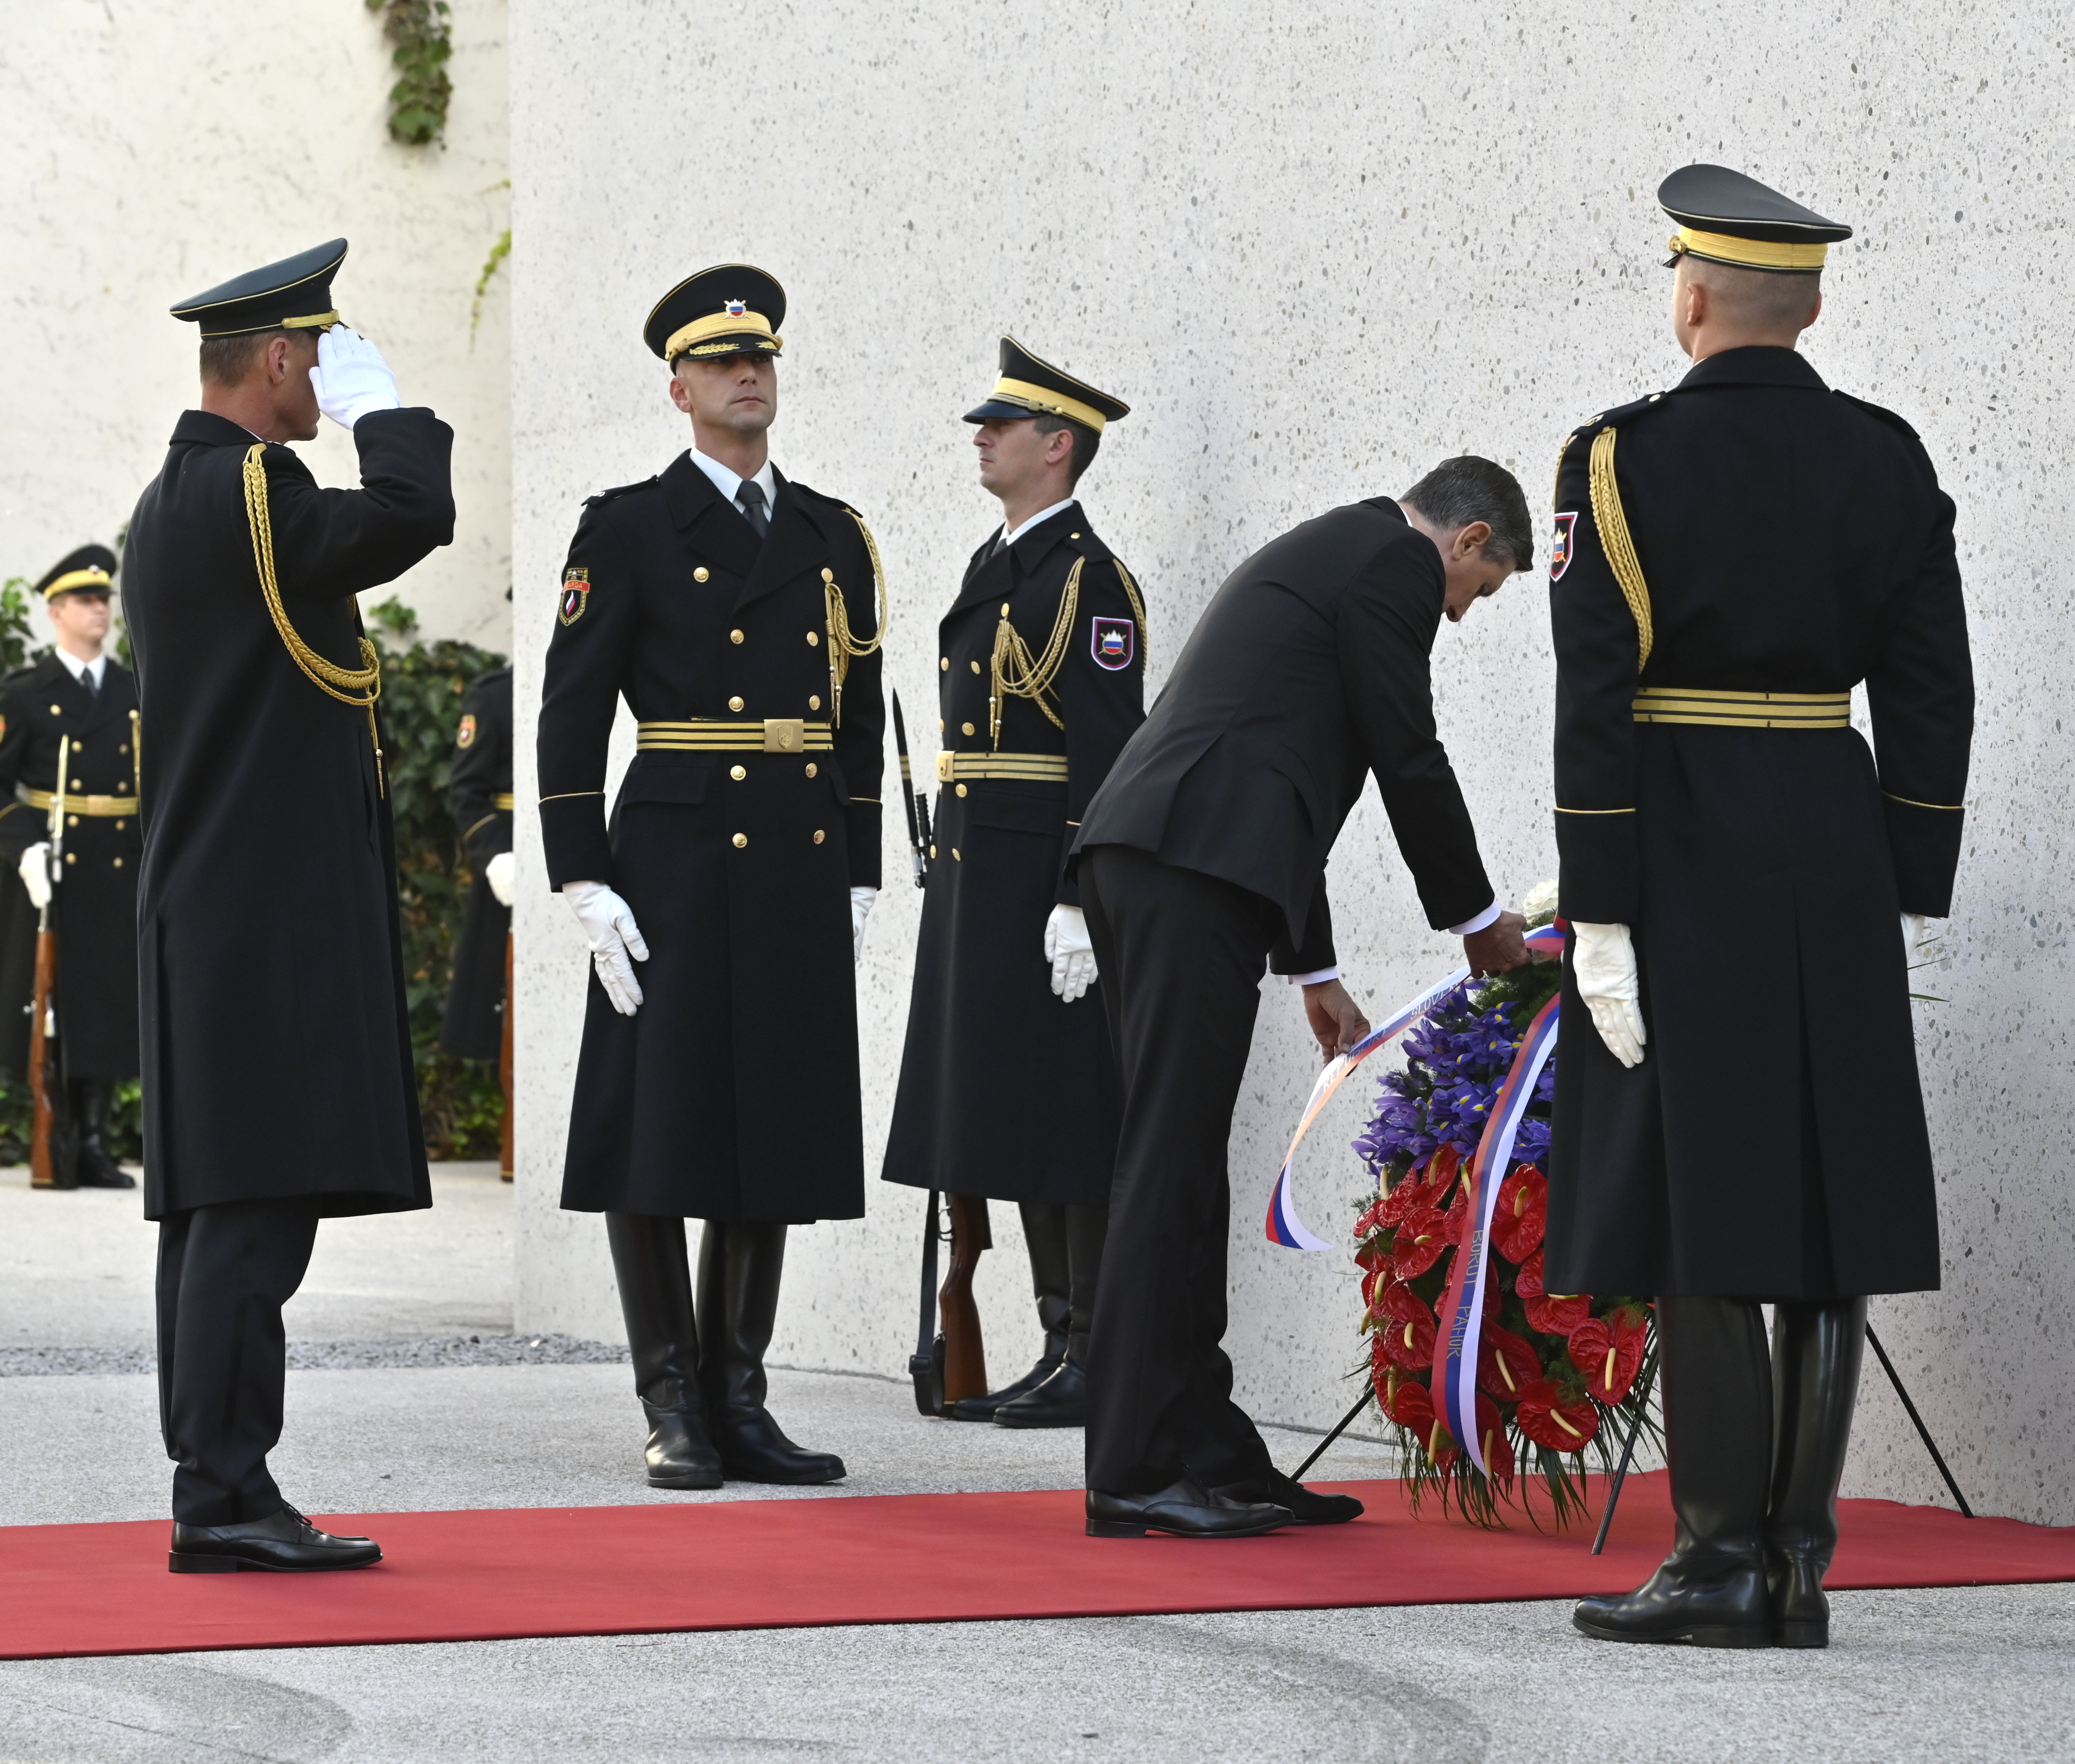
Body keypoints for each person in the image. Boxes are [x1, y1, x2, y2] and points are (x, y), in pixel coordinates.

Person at [1545, 165, 1975, 1648]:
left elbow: (1592, 699)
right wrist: (1903, 866)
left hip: (1681, 840)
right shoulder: (1885, 457)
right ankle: (1796, 1560)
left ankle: (1722, 1553)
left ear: (1690, 297)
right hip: (1831, 841)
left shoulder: (1616, 460)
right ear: (1807, 303)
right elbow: (1930, 688)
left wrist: (1594, 906)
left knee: (1704, 1201)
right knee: (1828, 1196)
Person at [1069, 456, 1537, 1538]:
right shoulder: (1394, 563)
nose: (1462, 615)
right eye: (1484, 588)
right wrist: (1479, 921)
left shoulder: (1342, 545)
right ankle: (1133, 1465)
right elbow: (1402, 749)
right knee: (1165, 1161)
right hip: (1185, 861)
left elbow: (1285, 750)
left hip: (1179, 855)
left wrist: (1313, 967)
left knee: (1182, 1163)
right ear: (1467, 540)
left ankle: (1204, 1446)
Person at [122, 239, 457, 1572]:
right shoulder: (251, 483)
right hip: (256, 914)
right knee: (253, 1209)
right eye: (318, 356)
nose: (325, 376)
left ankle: (217, 1479)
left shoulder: (182, 495)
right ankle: (222, 1492)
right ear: (274, 359)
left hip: (225, 904)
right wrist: (393, 418)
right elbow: (397, 525)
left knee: (230, 1208)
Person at [537, 263, 888, 1490]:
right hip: (674, 856)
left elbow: (858, 715)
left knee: (773, 1127)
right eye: (726, 362)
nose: (752, 375)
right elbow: (571, 714)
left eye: (766, 359)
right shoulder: (626, 525)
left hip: (792, 857)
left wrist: (857, 867)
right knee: (659, 1130)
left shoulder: (832, 532)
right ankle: (672, 1397)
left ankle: (743, 1394)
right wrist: (581, 875)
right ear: (679, 387)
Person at [879, 340, 1144, 1430]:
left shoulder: (1090, 578)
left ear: (1059, 445)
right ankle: (1051, 1332)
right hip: (977, 867)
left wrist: (1080, 894)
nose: (981, 435)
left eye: (1005, 424)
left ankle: (1089, 1342)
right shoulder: (1001, 564)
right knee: (1005, 1108)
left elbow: (1110, 752)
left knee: (1063, 1107)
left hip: (1041, 875)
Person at [0, 546, 142, 1190]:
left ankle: (94, 1141)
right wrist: (25, 846)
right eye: (87, 601)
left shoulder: (134, 687)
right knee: (51, 1007)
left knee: (110, 1006)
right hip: (54, 866)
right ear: (56, 612)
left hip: (120, 866)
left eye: (104, 599)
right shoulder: (26, 692)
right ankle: (57, 1134)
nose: (101, 609)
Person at [440, 661, 513, 1068]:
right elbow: (467, 791)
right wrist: (497, 855)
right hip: (510, 856)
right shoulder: (494, 695)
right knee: (496, 1000)